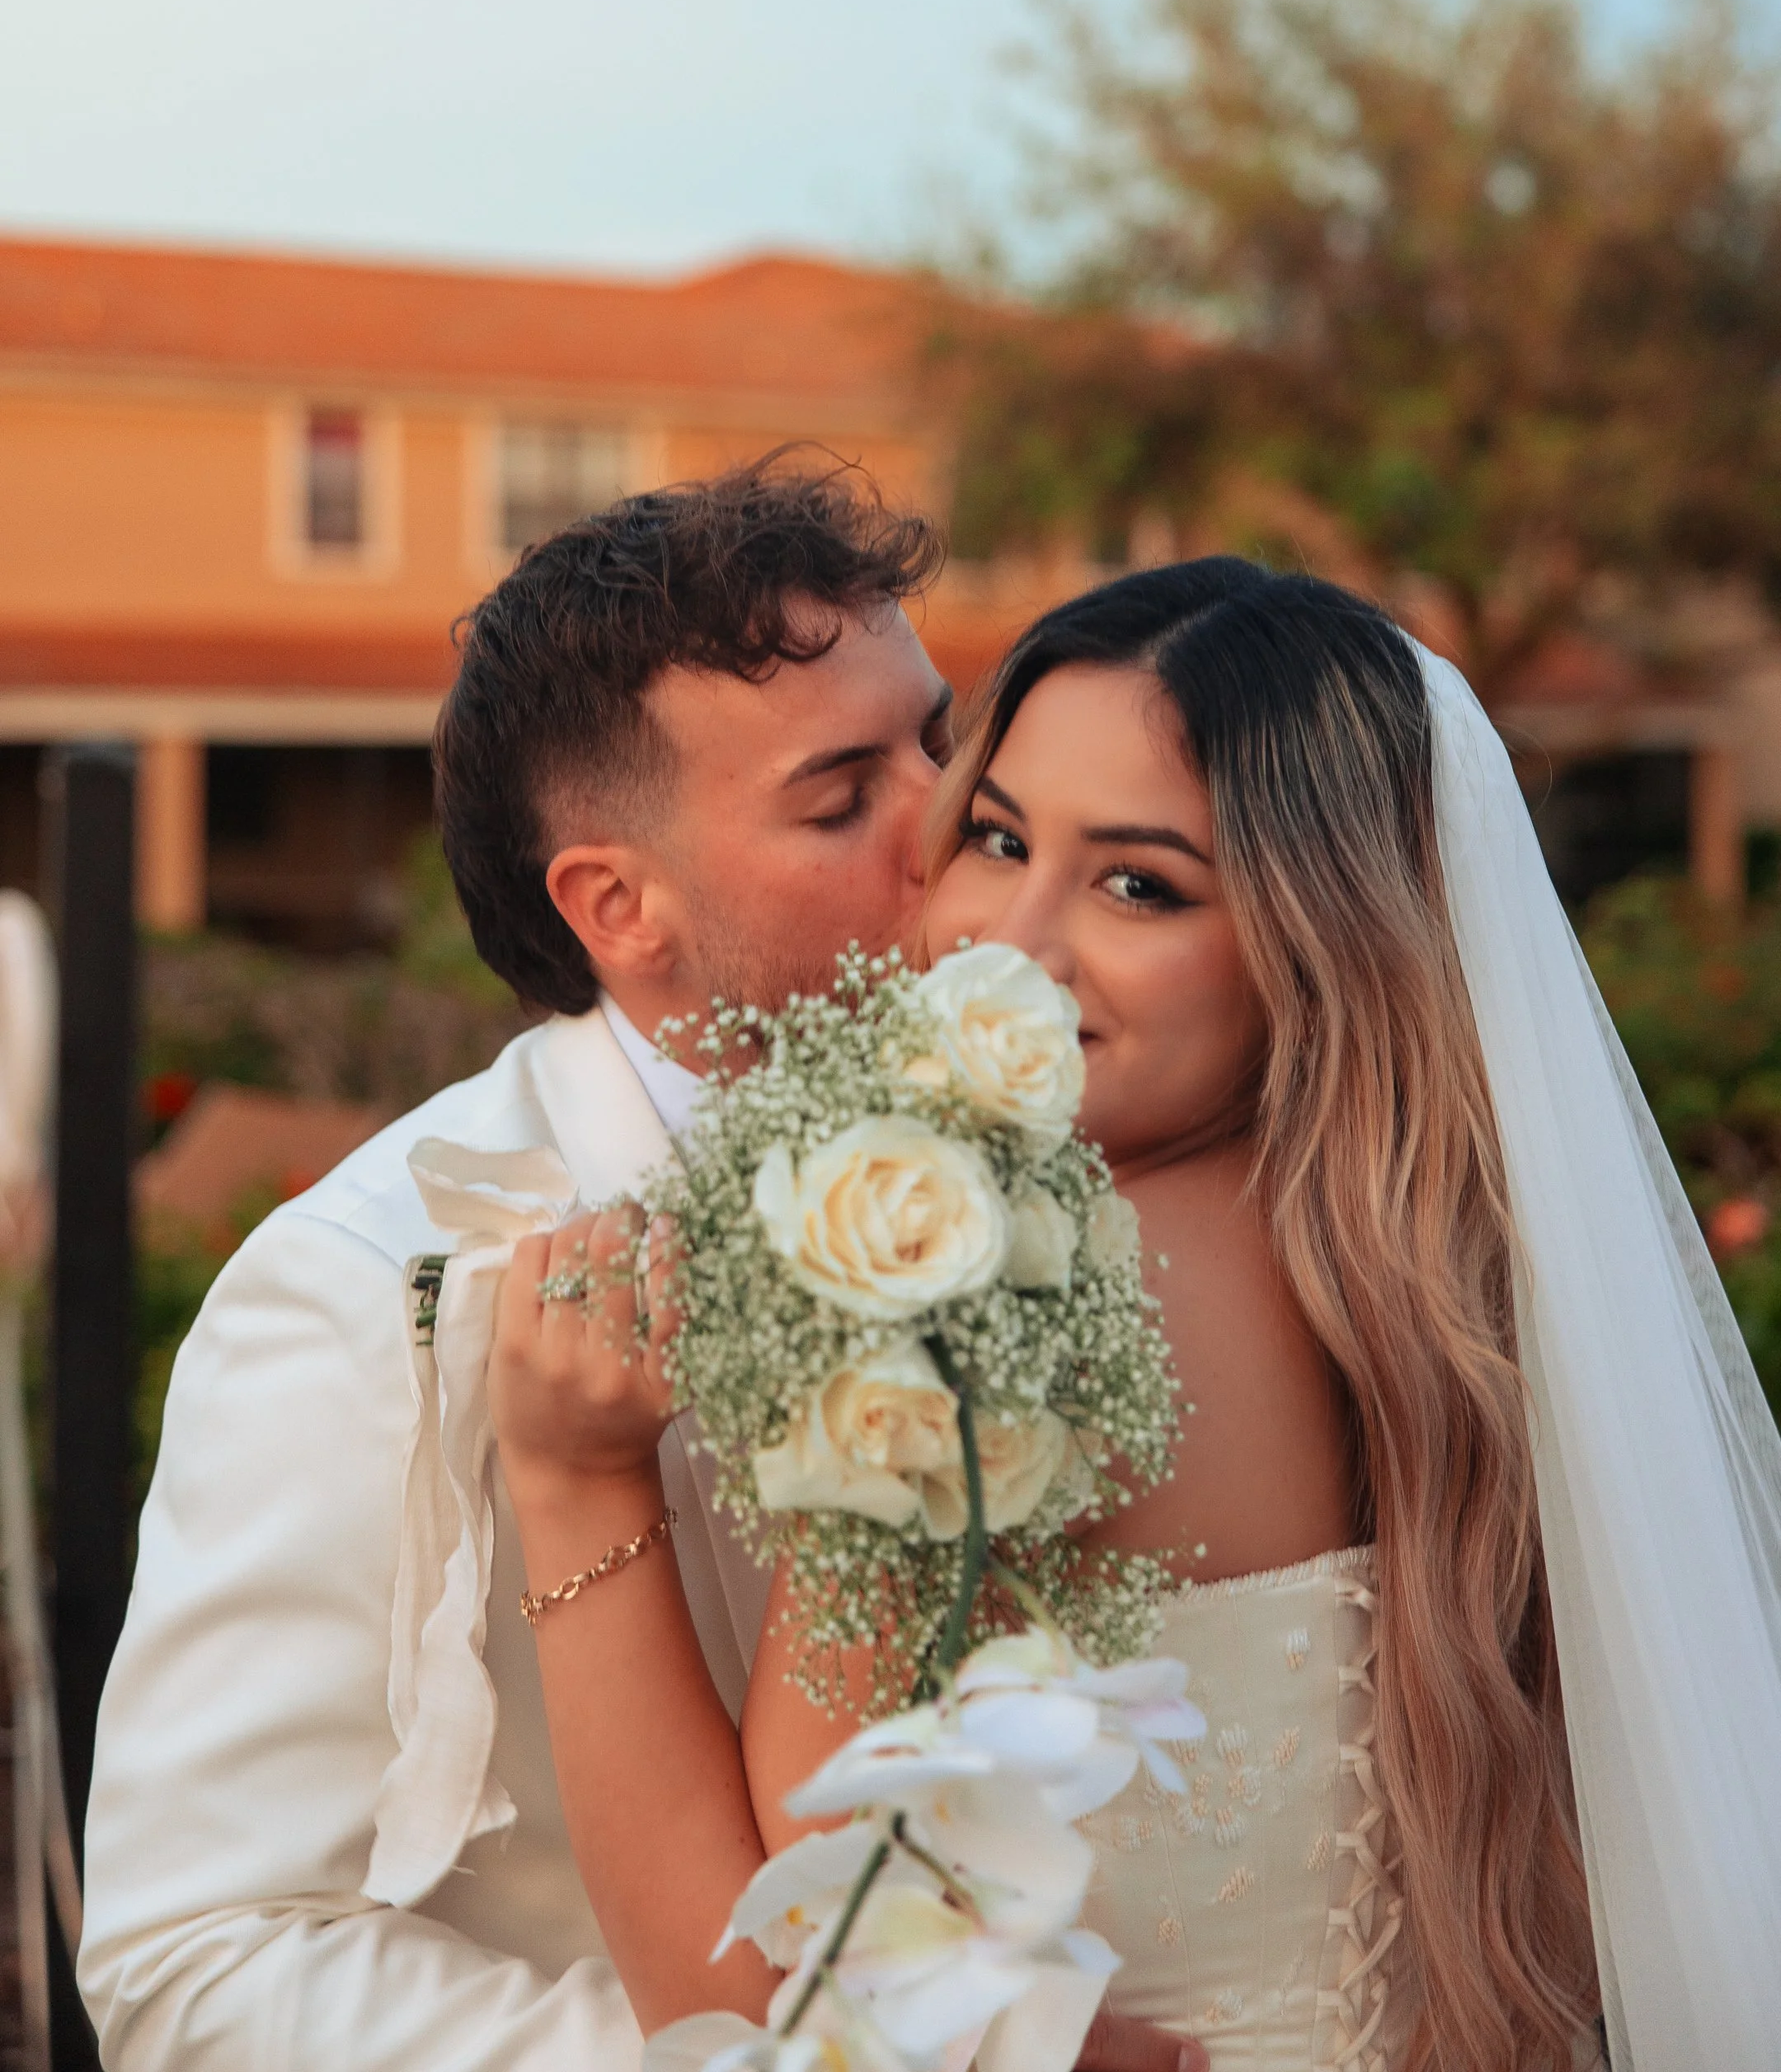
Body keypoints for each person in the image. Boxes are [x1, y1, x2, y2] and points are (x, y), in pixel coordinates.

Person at [491, 557, 1781, 2072]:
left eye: (1139, 884)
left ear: (1311, 941)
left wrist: (575, 1485)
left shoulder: (990, 1283)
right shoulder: (1442, 1275)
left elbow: (757, 2001)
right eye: (996, 835)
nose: (1010, 938)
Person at [77, 463, 956, 2070]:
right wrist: (801, 2055)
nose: (948, 824)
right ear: (619, 904)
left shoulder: (1071, 1164)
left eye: (939, 744)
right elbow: (189, 1958)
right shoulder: (363, 1290)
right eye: (842, 796)